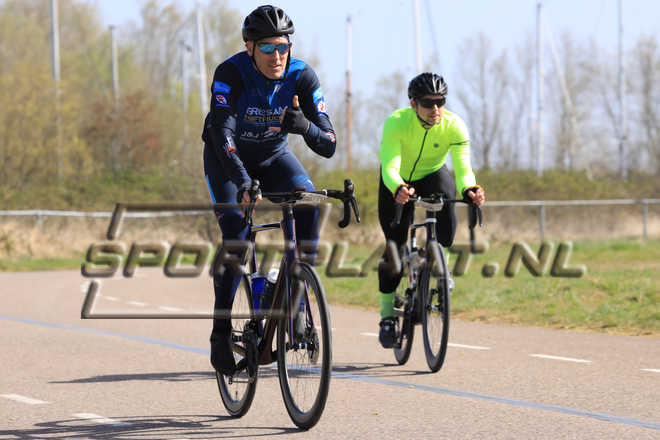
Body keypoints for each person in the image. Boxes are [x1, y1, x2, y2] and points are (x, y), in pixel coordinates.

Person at [201, 5, 337, 374]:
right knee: (237, 236)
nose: (276, 56)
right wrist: (242, 180)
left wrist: (305, 126)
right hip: (227, 159)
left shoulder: (301, 75)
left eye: (283, 47)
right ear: (250, 48)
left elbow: (329, 144)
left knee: (309, 205)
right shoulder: (231, 73)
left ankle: (295, 297)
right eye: (267, 48)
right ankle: (220, 331)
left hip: (274, 156)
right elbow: (221, 132)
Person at [376, 72, 485, 348]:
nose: (435, 108)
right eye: (427, 103)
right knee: (394, 250)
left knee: (448, 206)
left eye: (440, 101)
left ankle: (440, 266)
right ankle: (387, 315)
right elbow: (389, 165)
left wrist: (470, 189)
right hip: (397, 179)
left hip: (432, 174)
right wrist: (397, 187)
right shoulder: (396, 122)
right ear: (413, 104)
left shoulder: (455, 126)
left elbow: (463, 169)